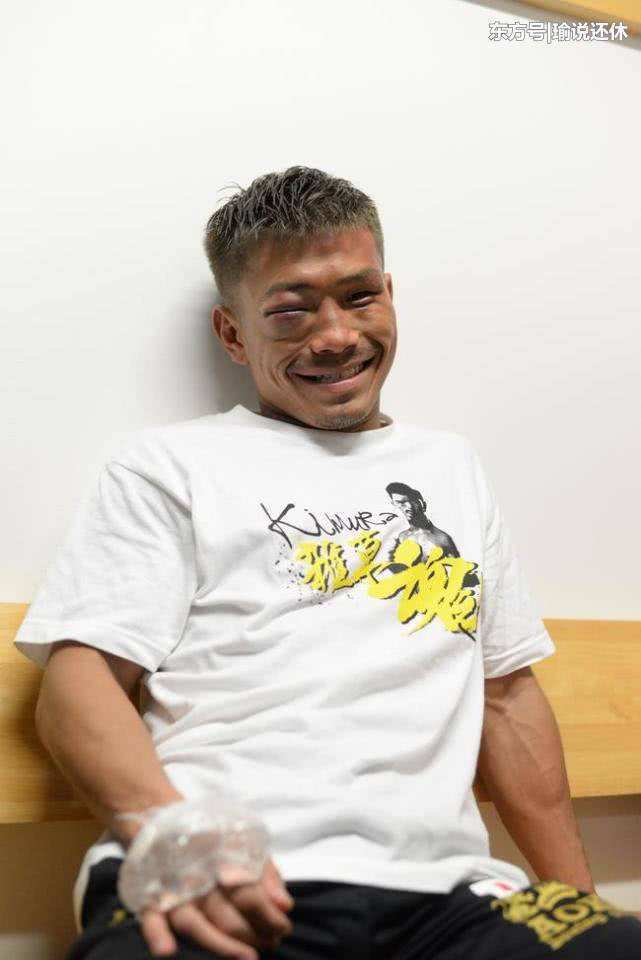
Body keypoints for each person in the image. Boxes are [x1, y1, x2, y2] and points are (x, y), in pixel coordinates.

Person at [14, 165, 641, 959]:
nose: (337, 335)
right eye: (290, 311)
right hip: (227, 882)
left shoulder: (450, 467)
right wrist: (170, 833)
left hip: (448, 898)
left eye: (358, 296)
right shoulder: (167, 465)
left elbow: (508, 698)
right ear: (233, 334)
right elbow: (78, 683)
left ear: (389, 294)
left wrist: (577, 905)